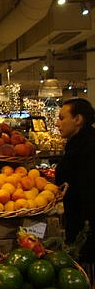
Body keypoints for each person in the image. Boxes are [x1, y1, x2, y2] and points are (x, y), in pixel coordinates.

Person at [55, 98, 95, 262]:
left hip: (86, 230)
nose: (58, 124)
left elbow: (88, 194)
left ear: (78, 119)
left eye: (62, 118)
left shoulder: (89, 148)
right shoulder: (76, 145)